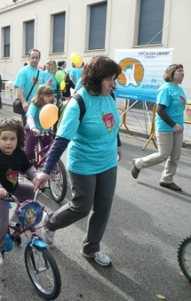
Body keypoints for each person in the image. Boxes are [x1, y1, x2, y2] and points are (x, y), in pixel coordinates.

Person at [34, 55, 122, 267]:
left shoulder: (110, 96)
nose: (113, 83)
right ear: (96, 77)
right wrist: (46, 170)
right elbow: (61, 139)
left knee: (103, 206)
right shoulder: (78, 103)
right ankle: (50, 224)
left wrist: (117, 143)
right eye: (109, 78)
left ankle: (91, 248)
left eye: (114, 78)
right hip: (84, 163)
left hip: (108, 162)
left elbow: (112, 122)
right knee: (81, 206)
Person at [0, 118, 37, 266]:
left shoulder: (19, 153)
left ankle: (19, 221)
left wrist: (36, 178)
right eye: (4, 138)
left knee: (32, 191)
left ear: (18, 139)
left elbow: (28, 168)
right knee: (0, 223)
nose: (8, 143)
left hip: (12, 188)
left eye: (12, 139)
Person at [131, 63, 186, 191]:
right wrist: (174, 125)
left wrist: (178, 125)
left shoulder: (179, 89)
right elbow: (160, 110)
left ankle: (167, 179)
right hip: (166, 127)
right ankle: (139, 163)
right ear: (171, 74)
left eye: (183, 71)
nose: (182, 73)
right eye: (179, 71)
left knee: (175, 155)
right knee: (163, 154)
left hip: (178, 128)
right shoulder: (166, 89)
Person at [14, 49, 46, 126]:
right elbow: (18, 88)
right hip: (28, 106)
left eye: (36, 58)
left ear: (39, 59)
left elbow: (43, 89)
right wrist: (24, 102)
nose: (34, 60)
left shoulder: (41, 73)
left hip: (40, 106)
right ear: (28, 58)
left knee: (39, 128)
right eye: (33, 57)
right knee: (28, 129)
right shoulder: (23, 71)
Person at [24, 85, 54, 161]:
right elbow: (30, 117)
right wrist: (33, 128)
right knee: (29, 152)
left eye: (51, 95)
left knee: (50, 151)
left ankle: (48, 167)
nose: (50, 98)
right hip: (33, 129)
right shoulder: (35, 104)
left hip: (45, 131)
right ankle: (24, 170)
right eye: (47, 96)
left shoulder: (51, 105)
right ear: (40, 96)